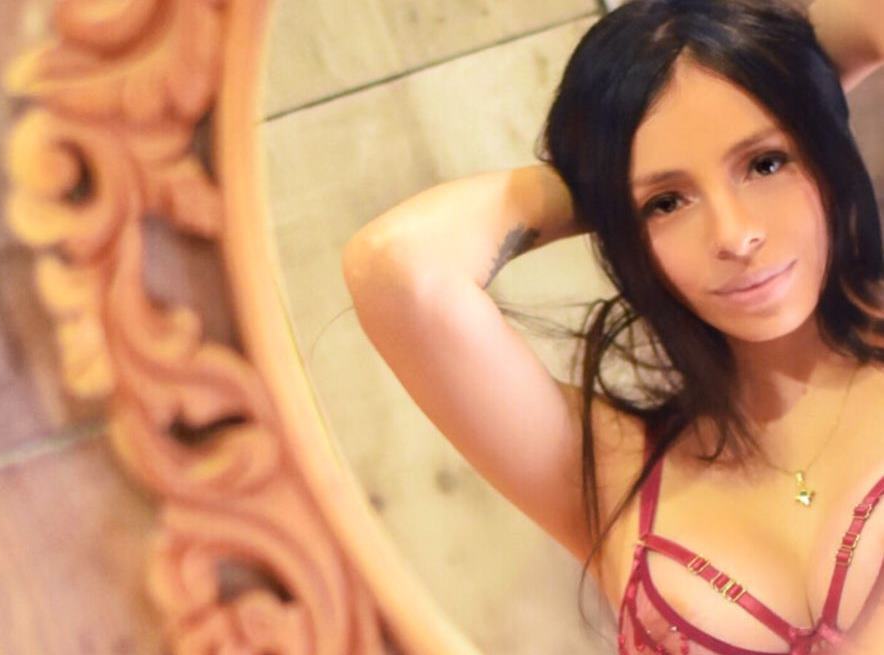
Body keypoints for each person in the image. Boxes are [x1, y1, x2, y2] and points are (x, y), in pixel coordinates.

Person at [341, 0, 884, 652]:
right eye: (666, 202)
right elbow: (398, 270)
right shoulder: (612, 472)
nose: (735, 235)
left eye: (765, 163)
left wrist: (802, 80)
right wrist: (596, 181)